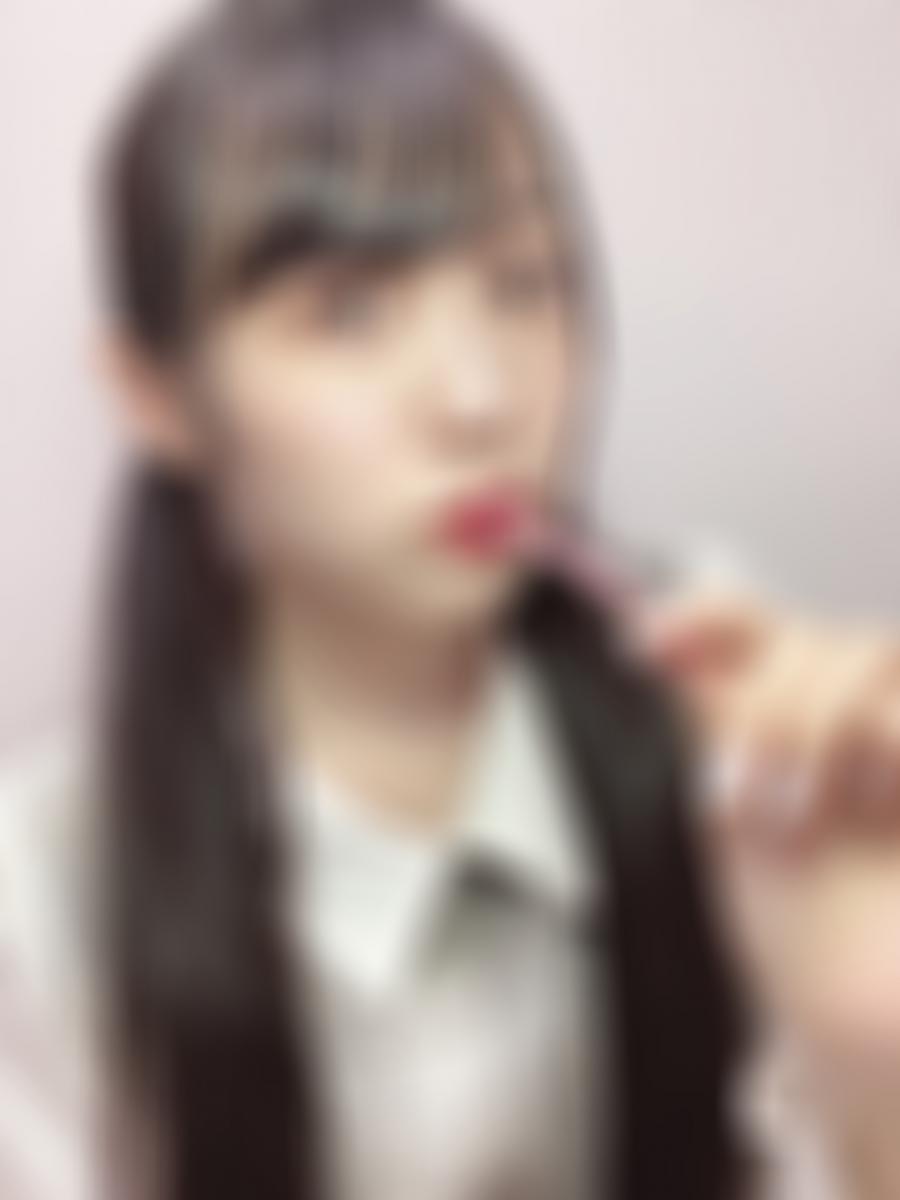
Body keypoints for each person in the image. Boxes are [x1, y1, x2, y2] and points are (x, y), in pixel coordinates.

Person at [1, 0, 898, 1198]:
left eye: (524, 284)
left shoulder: (734, 722)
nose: (481, 399)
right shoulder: (43, 898)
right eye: (347, 312)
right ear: (155, 394)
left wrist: (870, 1064)